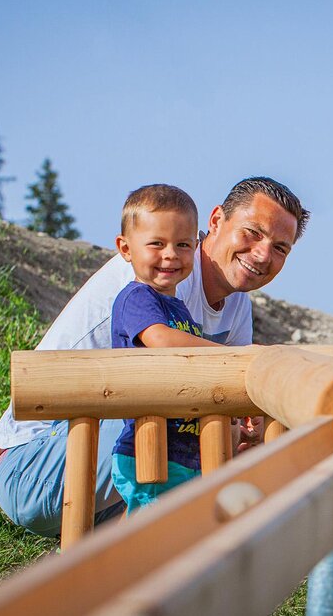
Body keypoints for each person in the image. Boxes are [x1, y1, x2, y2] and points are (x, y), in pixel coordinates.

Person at [0, 176, 309, 537]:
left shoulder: (236, 307)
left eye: (280, 248)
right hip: (34, 468)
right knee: (185, 411)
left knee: (252, 440)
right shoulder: (158, 277)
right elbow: (169, 352)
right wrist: (249, 361)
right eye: (253, 232)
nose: (263, 254)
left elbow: (236, 400)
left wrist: (251, 427)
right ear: (216, 221)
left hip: (111, 485)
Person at [108, 185, 215, 511]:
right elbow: (161, 341)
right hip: (149, 448)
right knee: (153, 536)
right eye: (157, 243)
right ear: (125, 249)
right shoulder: (137, 298)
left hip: (184, 449)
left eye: (183, 245)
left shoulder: (180, 311)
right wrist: (227, 354)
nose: (171, 254)